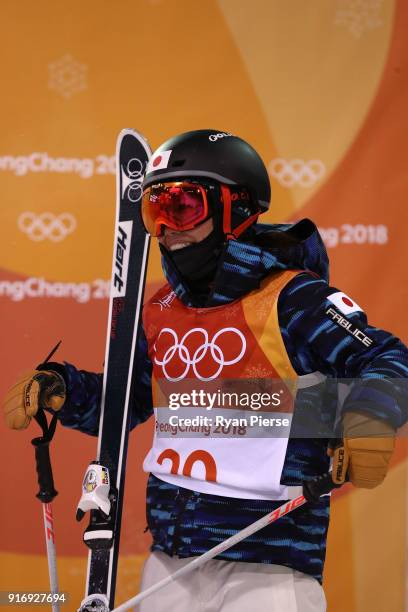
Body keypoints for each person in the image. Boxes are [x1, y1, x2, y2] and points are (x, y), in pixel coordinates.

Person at [4, 129, 408, 612]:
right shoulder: (161, 310)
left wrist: (371, 413)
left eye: (184, 207)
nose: (168, 228)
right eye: (157, 211)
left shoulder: (292, 298)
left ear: (235, 208)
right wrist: (64, 389)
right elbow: (127, 401)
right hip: (171, 563)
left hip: (269, 564)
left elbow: (388, 359)